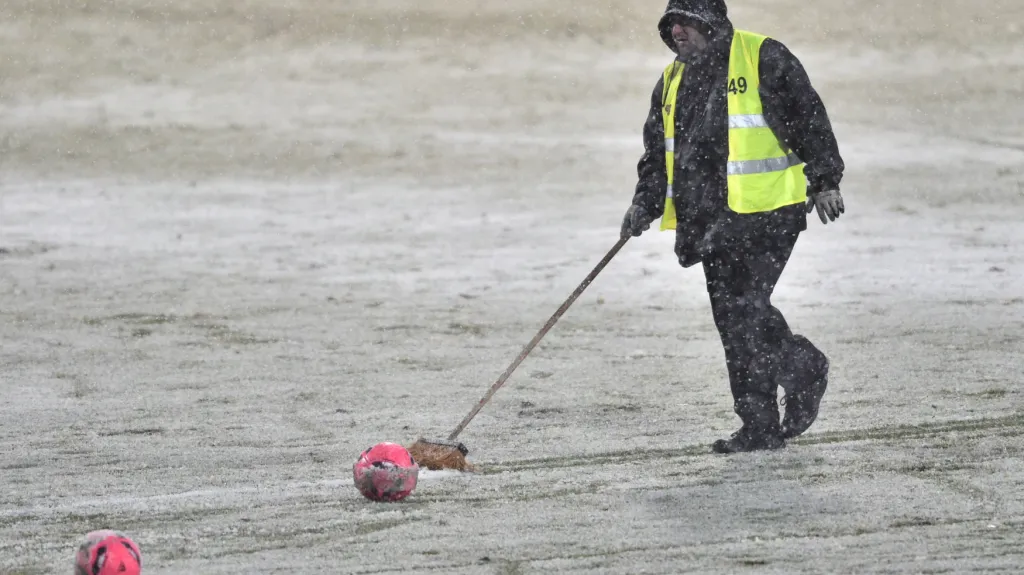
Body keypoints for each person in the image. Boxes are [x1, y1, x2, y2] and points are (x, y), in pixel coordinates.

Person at [621, 0, 846, 453]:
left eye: (685, 22)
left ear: (711, 23)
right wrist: (643, 205)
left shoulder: (762, 55)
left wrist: (825, 180)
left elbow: (808, 116)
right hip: (708, 222)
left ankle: (802, 367)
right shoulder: (669, 81)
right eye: (671, 25)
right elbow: (658, 157)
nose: (677, 32)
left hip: (767, 213)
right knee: (733, 321)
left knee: (744, 310)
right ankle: (759, 425)